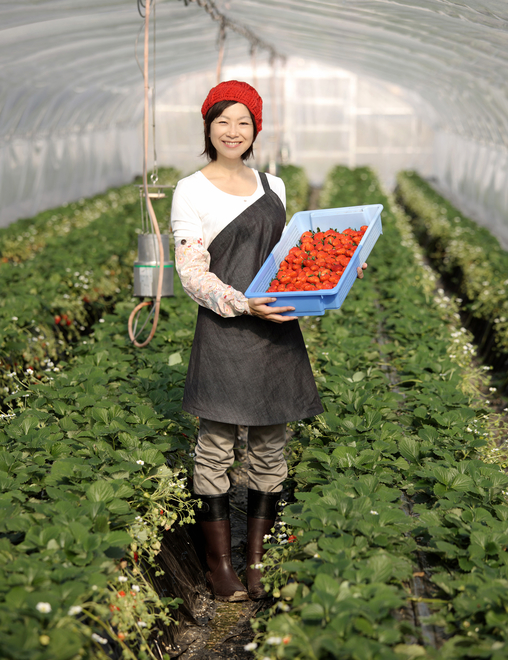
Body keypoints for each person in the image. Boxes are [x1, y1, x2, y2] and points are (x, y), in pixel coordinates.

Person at [170, 80, 367, 602]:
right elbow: (191, 274)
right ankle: (219, 567)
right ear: (208, 127)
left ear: (257, 129)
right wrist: (242, 302)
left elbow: (289, 260)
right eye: (222, 122)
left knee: (269, 449)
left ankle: (255, 563)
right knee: (215, 449)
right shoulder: (191, 189)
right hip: (225, 330)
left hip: (277, 331)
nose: (233, 132)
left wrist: (341, 266)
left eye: (244, 122)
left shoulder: (273, 186)